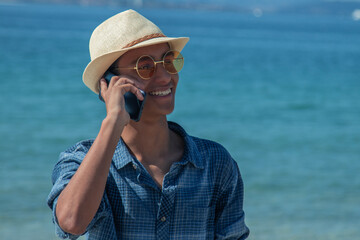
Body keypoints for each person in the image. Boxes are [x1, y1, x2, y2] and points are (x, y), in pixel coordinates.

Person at [47, 9, 249, 240]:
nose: (165, 77)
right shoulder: (81, 161)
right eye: (145, 66)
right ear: (109, 84)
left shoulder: (214, 162)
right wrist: (113, 121)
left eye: (169, 62)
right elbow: (72, 223)